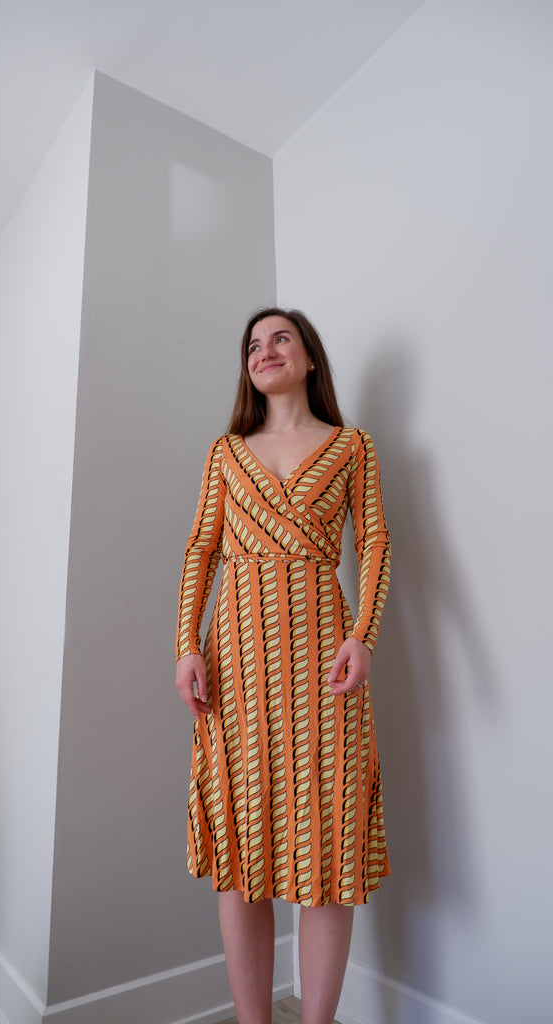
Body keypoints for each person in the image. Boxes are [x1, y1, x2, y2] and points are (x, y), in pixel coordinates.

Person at [175, 308, 391, 1024]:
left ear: (309, 358)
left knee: (325, 846)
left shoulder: (352, 446)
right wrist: (185, 645)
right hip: (235, 664)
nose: (265, 352)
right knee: (243, 852)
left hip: (325, 662)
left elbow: (376, 543)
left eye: (280, 339)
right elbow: (202, 548)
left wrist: (363, 636)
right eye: (253, 346)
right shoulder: (225, 453)